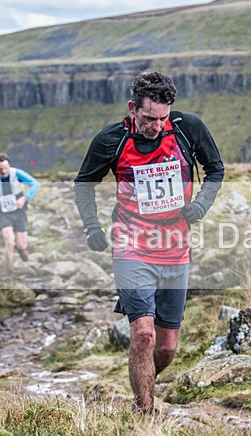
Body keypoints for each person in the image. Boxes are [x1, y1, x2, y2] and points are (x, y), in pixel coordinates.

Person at [74, 71, 224, 413]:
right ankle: (145, 412)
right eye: (147, 118)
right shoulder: (111, 140)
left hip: (175, 248)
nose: (155, 126)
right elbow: (84, 183)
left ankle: (142, 383)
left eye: (161, 118)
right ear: (132, 108)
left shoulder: (188, 128)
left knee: (167, 348)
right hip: (131, 245)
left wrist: (200, 205)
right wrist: (91, 227)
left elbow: (216, 171)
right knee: (143, 334)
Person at [0, 154, 41, 271]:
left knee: (21, 245)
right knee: (9, 241)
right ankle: (10, 270)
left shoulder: (17, 173)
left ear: (9, 165)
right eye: (0, 169)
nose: (3, 171)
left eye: (5, 168)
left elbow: (35, 184)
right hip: (4, 211)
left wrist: (25, 198)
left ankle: (23, 253)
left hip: (19, 210)